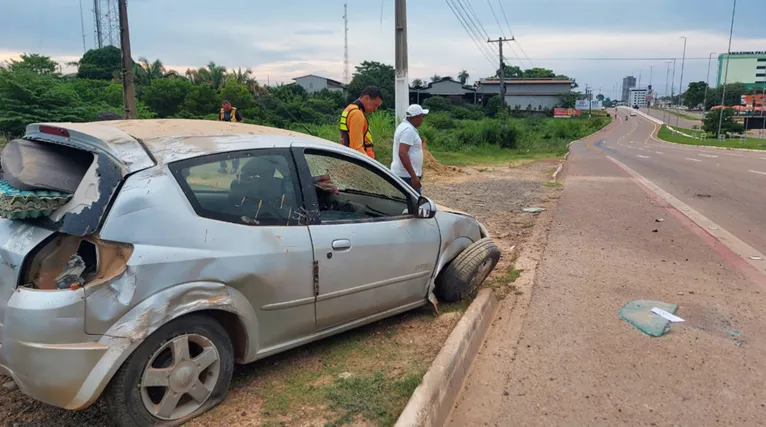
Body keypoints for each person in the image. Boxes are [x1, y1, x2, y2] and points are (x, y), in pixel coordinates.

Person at [391, 104, 429, 194]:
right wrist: (414, 176)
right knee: (414, 204)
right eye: (422, 116)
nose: (422, 119)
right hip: (406, 176)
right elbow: (402, 153)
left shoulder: (404, 127)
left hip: (405, 175)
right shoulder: (408, 130)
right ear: (416, 117)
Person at [339, 86, 383, 159]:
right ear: (366, 98)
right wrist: (370, 165)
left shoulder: (349, 109)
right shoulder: (357, 114)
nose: (375, 110)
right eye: (375, 105)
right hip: (357, 164)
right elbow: (357, 148)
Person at [218, 100, 243, 173]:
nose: (226, 109)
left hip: (234, 135)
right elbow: (218, 121)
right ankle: (223, 167)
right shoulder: (221, 112)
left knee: (234, 152)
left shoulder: (235, 111)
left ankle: (235, 168)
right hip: (223, 134)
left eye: (228, 107)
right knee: (221, 151)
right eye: (225, 107)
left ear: (230, 105)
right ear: (223, 106)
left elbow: (241, 121)